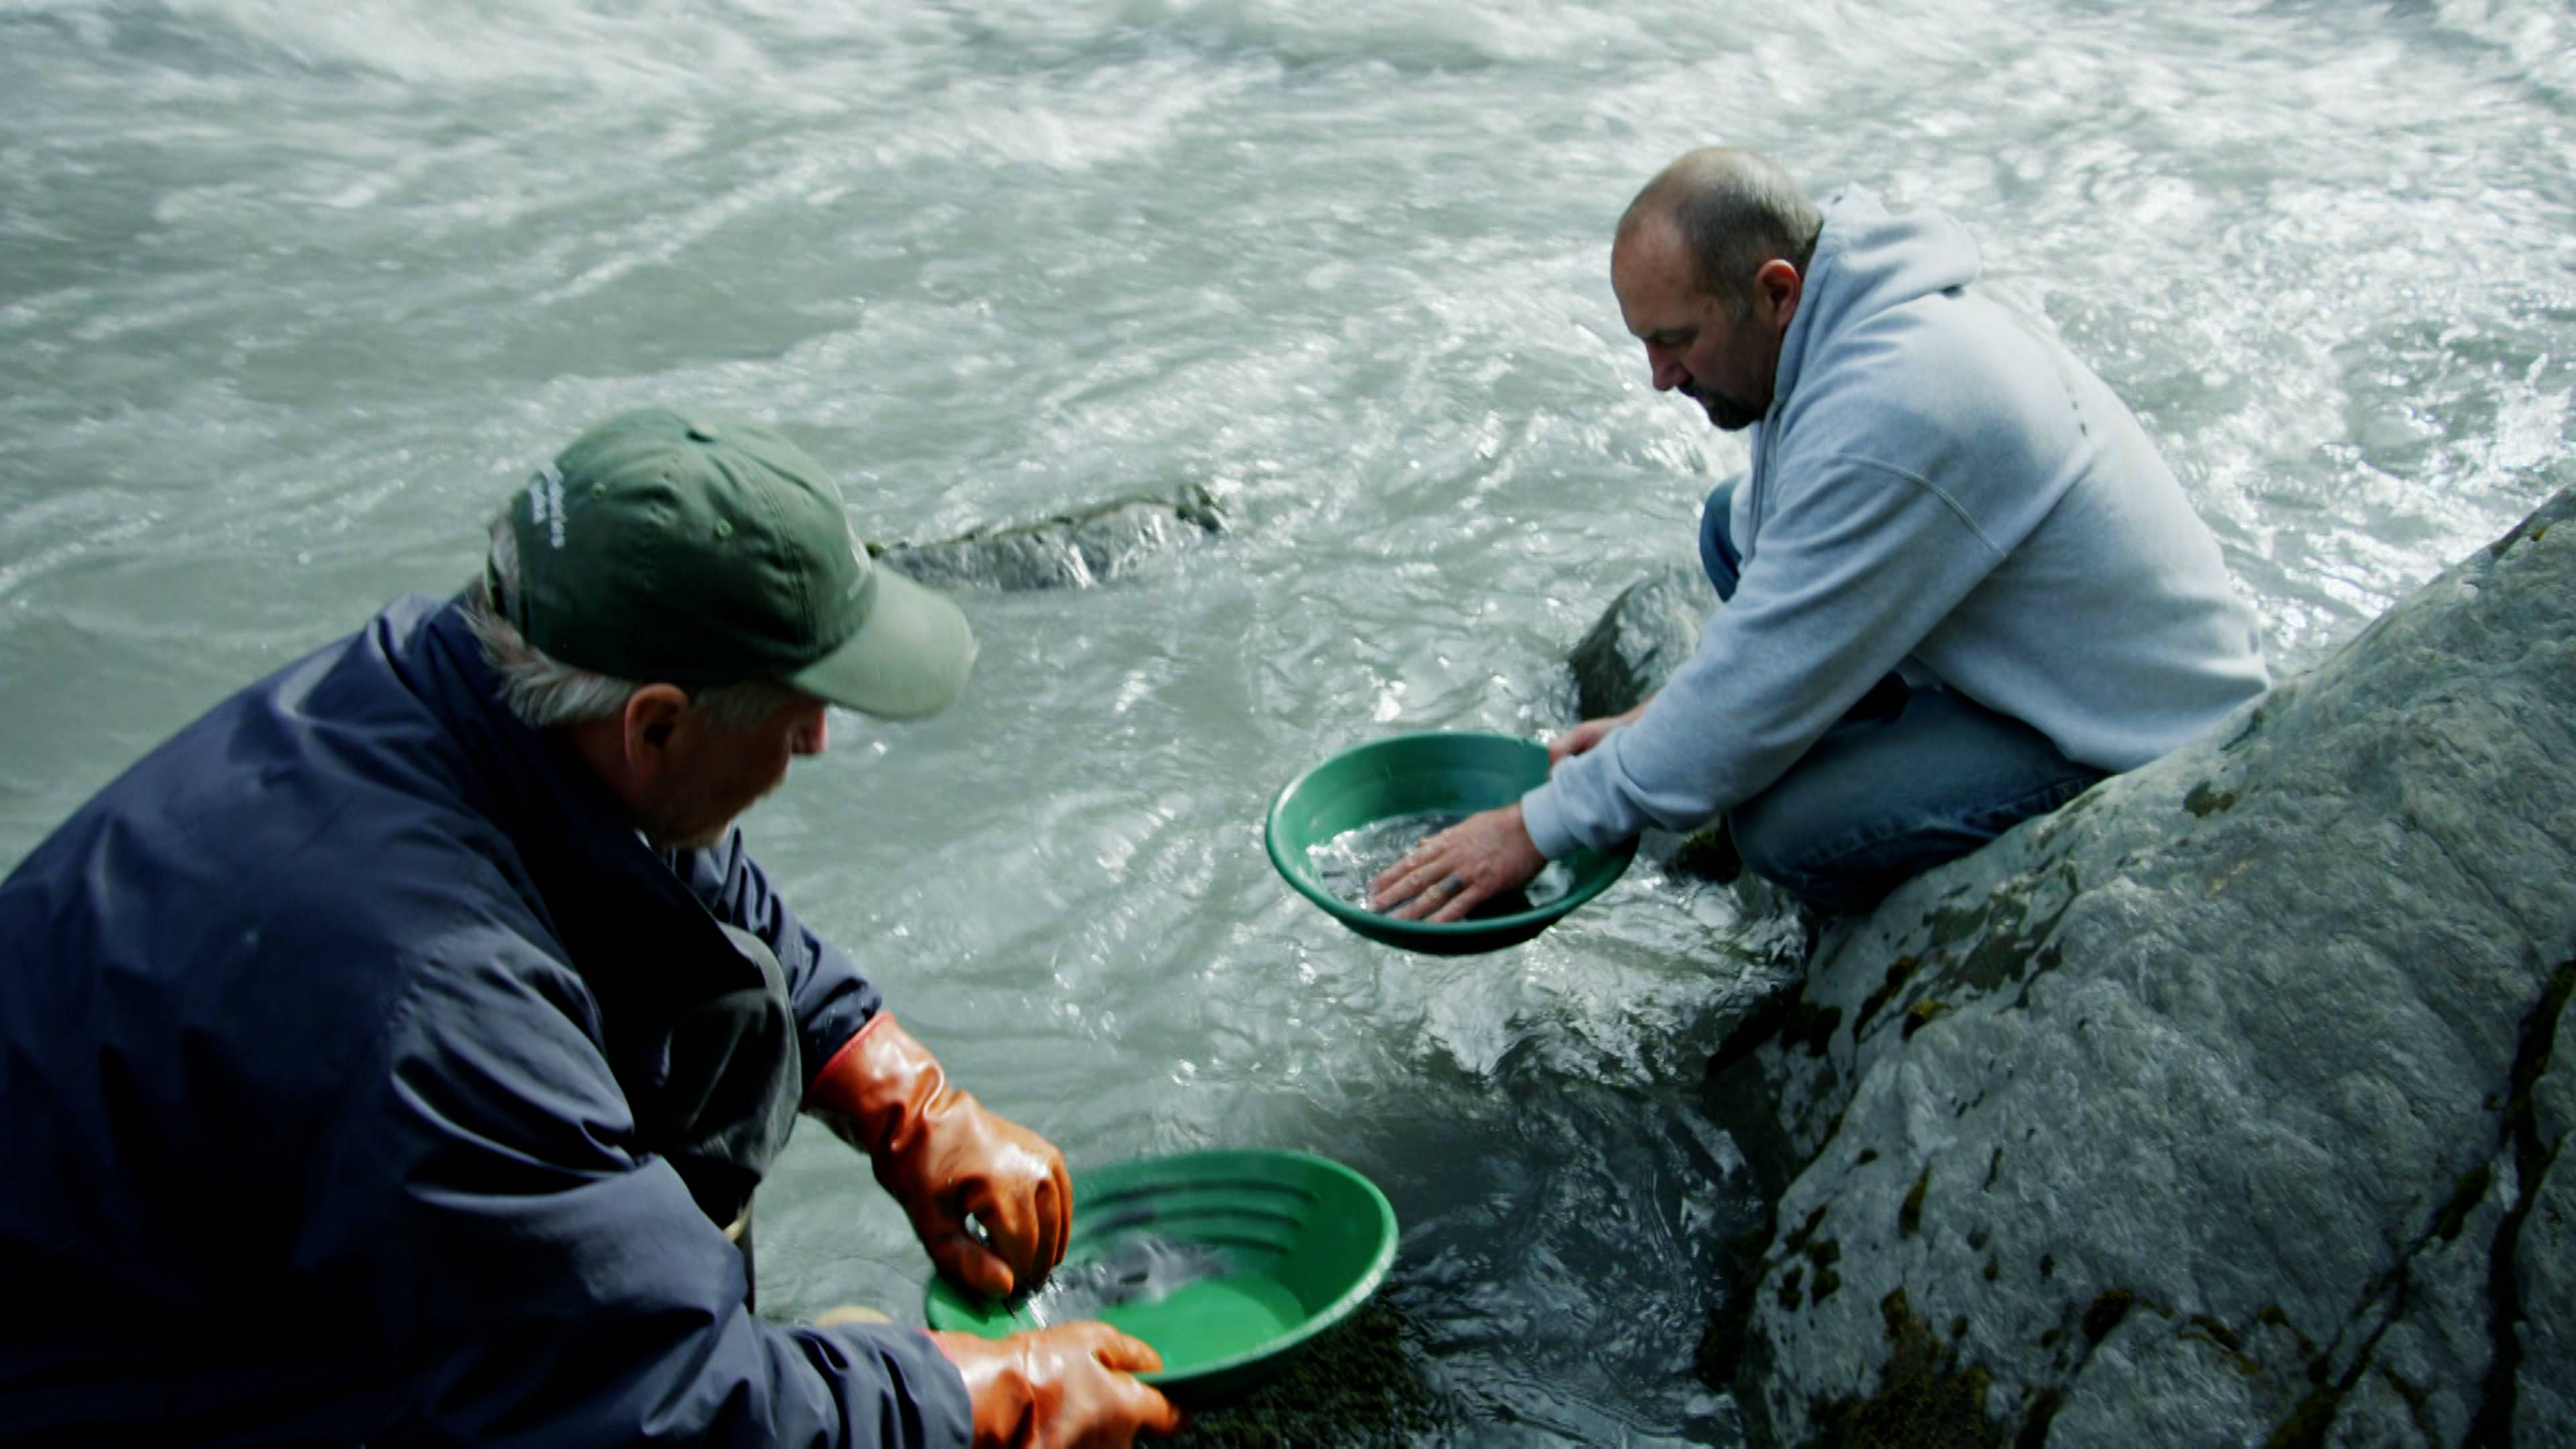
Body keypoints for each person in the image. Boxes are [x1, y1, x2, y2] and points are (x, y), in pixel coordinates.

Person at [0, 408, 1183, 1448]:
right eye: (798, 711)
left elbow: (671, 867)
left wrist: (897, 1092)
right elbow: (654, 1405)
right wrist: (981, 1399)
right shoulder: (436, 1003)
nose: (819, 741)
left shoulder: (449, 677)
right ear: (657, 724)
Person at [1373, 148, 2269, 918]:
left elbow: (1763, 674)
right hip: (2025, 657)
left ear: (1774, 290)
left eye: (1676, 340)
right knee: (1733, 526)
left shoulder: (1901, 411)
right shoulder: (1834, 324)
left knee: (1789, 829)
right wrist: (1659, 725)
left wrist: (1535, 828)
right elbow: (1778, 601)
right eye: (1644, 343)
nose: (1658, 377)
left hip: (2130, 734)